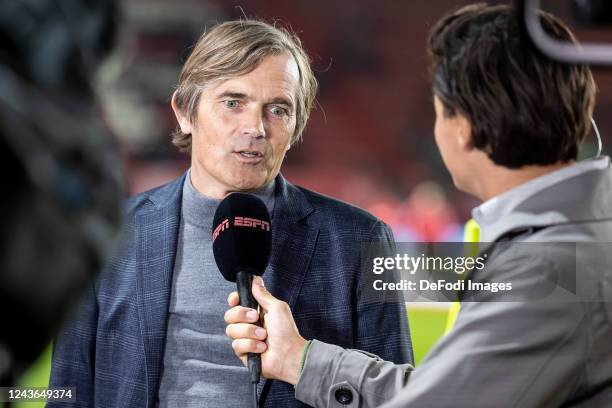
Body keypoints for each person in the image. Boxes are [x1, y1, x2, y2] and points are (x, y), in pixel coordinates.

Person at [224, 4, 612, 407]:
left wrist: (301, 361)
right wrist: (299, 359)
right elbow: (457, 393)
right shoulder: (578, 240)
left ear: (462, 128)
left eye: (438, 110)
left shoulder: (550, 269)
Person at [48, 20, 412, 407]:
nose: (255, 127)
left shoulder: (360, 237)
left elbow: (402, 399)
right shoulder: (107, 231)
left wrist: (302, 359)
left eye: (278, 109)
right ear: (185, 112)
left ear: (296, 127)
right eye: (233, 103)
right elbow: (67, 391)